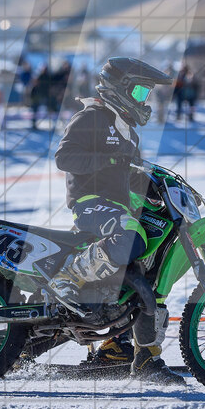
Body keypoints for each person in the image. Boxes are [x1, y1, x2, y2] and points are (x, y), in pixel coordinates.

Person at [49, 57, 183, 384]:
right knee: (129, 237)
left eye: (146, 94)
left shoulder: (129, 134)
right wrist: (108, 158)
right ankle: (66, 279)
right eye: (138, 91)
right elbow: (64, 157)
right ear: (119, 88)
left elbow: (132, 175)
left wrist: (162, 191)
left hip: (121, 208)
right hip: (91, 204)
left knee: (149, 271)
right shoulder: (92, 116)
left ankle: (142, 357)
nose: (143, 100)